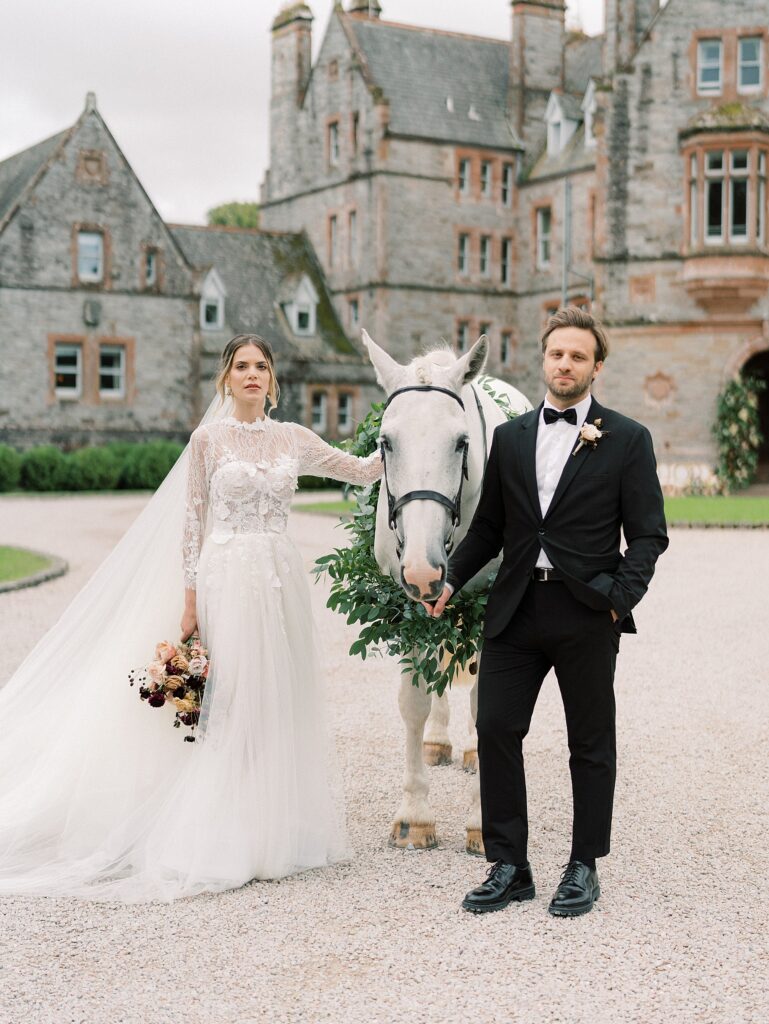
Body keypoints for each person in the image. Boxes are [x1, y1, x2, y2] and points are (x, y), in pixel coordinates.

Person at [0, 334, 382, 902]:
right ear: (226, 378)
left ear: (273, 379)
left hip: (279, 577)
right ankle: (223, 831)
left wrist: (408, 422)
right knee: (229, 698)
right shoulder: (208, 439)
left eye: (262, 366)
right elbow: (191, 524)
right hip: (226, 573)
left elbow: (364, 470)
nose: (253, 375)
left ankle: (271, 826)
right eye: (241, 367)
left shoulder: (293, 438)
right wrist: (188, 601)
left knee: (276, 697)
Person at [425, 307, 668, 917]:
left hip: (588, 612)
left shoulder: (629, 439)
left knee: (590, 741)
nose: (565, 364)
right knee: (496, 728)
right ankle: (511, 865)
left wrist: (618, 600)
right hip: (516, 609)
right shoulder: (511, 438)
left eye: (578, 356)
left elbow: (648, 536)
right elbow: (488, 528)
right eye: (557, 354)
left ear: (596, 367)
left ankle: (584, 865)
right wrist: (451, 579)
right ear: (544, 359)